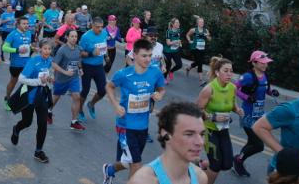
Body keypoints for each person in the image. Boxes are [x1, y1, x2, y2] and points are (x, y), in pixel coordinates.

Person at [103, 39, 166, 183]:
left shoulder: (155, 73)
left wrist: (159, 95)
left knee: (129, 162)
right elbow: (109, 86)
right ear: (135, 55)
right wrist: (115, 105)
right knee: (136, 164)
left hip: (143, 125)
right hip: (125, 125)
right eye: (144, 56)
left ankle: (109, 170)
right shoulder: (124, 74)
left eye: (150, 55)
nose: (148, 59)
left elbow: (161, 89)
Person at [127, 101, 207, 184]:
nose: (200, 142)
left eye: (202, 134)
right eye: (189, 134)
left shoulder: (200, 177)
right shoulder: (143, 181)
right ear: (166, 134)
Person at [196, 56, 244, 184]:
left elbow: (232, 104)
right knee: (216, 166)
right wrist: (212, 117)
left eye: (231, 71)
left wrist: (238, 110)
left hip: (223, 129)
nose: (229, 74)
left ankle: (200, 165)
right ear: (217, 72)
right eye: (226, 70)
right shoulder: (209, 89)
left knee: (227, 164)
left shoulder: (232, 88)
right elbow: (197, 110)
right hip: (208, 130)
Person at [233, 50, 280, 177]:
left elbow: (265, 89)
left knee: (252, 142)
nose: (265, 65)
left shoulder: (264, 75)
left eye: (266, 63)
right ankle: (238, 160)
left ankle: (238, 160)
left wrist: (272, 92)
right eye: (262, 62)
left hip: (259, 115)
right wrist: (246, 97)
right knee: (258, 145)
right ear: (254, 63)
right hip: (247, 115)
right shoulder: (248, 76)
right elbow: (233, 88)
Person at [10, 39, 54, 163]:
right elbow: (21, 79)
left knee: (42, 124)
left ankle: (38, 151)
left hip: (42, 97)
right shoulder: (33, 61)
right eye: (45, 48)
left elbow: (47, 74)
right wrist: (38, 82)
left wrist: (49, 79)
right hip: (30, 97)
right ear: (40, 49)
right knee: (27, 122)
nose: (47, 51)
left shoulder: (49, 61)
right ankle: (17, 128)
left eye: (49, 49)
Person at [50, 29, 85, 131]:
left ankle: (74, 122)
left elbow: (78, 60)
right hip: (61, 78)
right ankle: (48, 111)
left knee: (77, 97)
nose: (74, 38)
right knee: (56, 97)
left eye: (75, 37)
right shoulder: (62, 50)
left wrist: (80, 69)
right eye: (72, 36)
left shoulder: (78, 49)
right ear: (67, 37)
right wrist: (65, 72)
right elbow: (54, 64)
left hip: (73, 78)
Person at [78, 17, 108, 121]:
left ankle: (91, 104)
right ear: (92, 26)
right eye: (97, 27)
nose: (100, 29)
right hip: (87, 66)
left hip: (99, 66)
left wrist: (106, 56)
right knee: (85, 91)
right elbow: (80, 53)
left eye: (101, 27)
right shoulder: (85, 37)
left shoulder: (104, 33)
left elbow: (104, 46)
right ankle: (80, 109)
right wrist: (91, 54)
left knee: (103, 90)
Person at [3, 16, 33, 111]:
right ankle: (7, 99)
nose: (26, 25)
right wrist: (16, 49)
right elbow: (4, 47)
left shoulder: (29, 33)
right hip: (16, 64)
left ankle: (22, 101)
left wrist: (33, 48)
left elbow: (28, 45)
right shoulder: (12, 34)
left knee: (27, 82)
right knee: (13, 81)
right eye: (24, 23)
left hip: (27, 63)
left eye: (27, 23)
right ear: (18, 24)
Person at [186, 17, 212, 86]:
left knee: (198, 62)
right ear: (197, 23)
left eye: (203, 22)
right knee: (200, 63)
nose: (202, 23)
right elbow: (187, 35)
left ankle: (188, 68)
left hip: (202, 49)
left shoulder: (206, 30)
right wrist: (189, 40)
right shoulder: (193, 30)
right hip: (195, 48)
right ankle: (201, 80)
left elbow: (209, 39)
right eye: (200, 22)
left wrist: (207, 36)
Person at [164, 18, 183, 83]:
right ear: (173, 24)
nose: (178, 24)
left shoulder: (179, 31)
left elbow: (179, 39)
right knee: (168, 65)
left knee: (179, 65)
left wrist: (180, 43)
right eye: (177, 23)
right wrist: (175, 42)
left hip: (176, 51)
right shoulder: (168, 31)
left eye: (179, 22)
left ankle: (171, 71)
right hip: (168, 51)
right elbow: (168, 43)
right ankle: (164, 78)